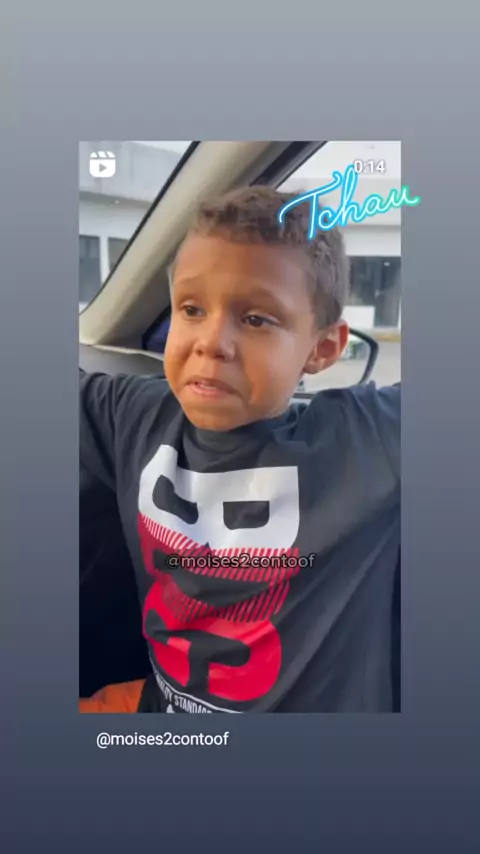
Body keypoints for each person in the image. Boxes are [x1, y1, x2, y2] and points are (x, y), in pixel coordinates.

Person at [79, 185, 400, 714]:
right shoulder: (131, 414)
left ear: (322, 348)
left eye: (255, 319)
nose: (211, 342)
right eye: (191, 309)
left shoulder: (366, 438)